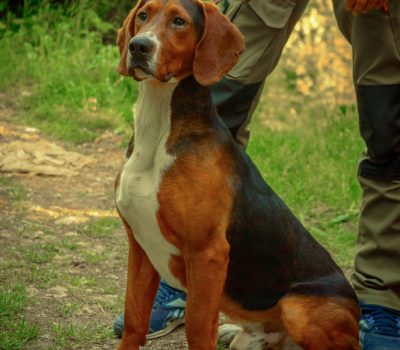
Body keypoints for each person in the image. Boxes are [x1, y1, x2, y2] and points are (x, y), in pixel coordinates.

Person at [114, 0, 400, 348]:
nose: (145, 35)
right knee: (228, 95)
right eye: (142, 18)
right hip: (171, 139)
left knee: (388, 127)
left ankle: (382, 302)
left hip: (306, 302)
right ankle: (184, 284)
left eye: (175, 22)